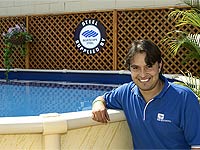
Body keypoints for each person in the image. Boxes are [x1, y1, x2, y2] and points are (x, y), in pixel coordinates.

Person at [91, 39, 200, 149]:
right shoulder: (126, 93)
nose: (142, 74)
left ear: (159, 66)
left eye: (148, 66)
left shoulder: (184, 98)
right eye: (136, 68)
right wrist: (98, 103)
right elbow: (103, 98)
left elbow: (197, 146)